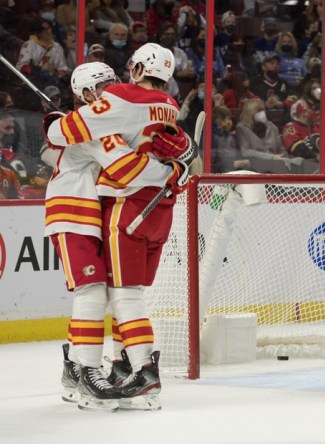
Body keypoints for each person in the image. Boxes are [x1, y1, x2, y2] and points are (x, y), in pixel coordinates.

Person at [46, 44, 194, 411]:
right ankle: (85, 370)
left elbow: (62, 135)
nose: (106, 90)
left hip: (99, 212)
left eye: (110, 82)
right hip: (74, 213)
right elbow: (125, 169)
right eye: (98, 87)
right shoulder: (110, 124)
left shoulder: (109, 116)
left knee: (110, 292)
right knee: (97, 294)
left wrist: (180, 156)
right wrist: (175, 170)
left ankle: (105, 366)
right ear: (84, 95)